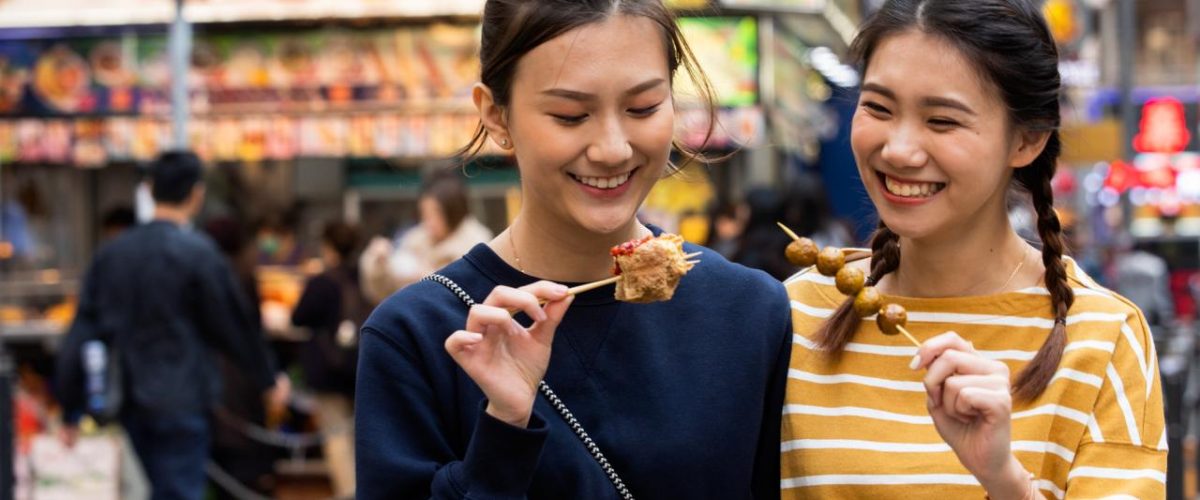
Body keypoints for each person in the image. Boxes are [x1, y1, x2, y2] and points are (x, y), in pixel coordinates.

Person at [354, 1, 792, 498]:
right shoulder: (419, 336)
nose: (612, 148)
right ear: (496, 116)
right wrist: (504, 427)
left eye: (643, 107)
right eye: (570, 115)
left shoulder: (750, 312)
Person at [781, 1, 1166, 498]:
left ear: (1026, 140)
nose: (898, 149)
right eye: (877, 107)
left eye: (942, 121)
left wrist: (1004, 480)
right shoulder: (795, 313)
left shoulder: (1103, 340)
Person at [55, 151, 283, 500]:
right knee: (179, 490)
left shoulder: (112, 254)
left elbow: (82, 332)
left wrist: (70, 409)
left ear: (149, 189)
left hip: (129, 398)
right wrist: (267, 378)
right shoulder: (200, 254)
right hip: (185, 398)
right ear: (197, 193)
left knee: (157, 488)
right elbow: (234, 326)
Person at [291, 220, 368, 498]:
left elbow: (298, 317)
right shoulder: (364, 277)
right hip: (361, 364)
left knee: (336, 436)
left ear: (329, 247)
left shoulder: (322, 281)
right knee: (363, 434)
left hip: (328, 370)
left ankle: (349, 493)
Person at [358, 171, 493, 304]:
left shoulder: (477, 245)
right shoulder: (415, 239)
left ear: (452, 212)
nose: (428, 222)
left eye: (434, 214)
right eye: (424, 214)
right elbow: (382, 293)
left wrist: (428, 278)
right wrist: (380, 263)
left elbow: (474, 298)